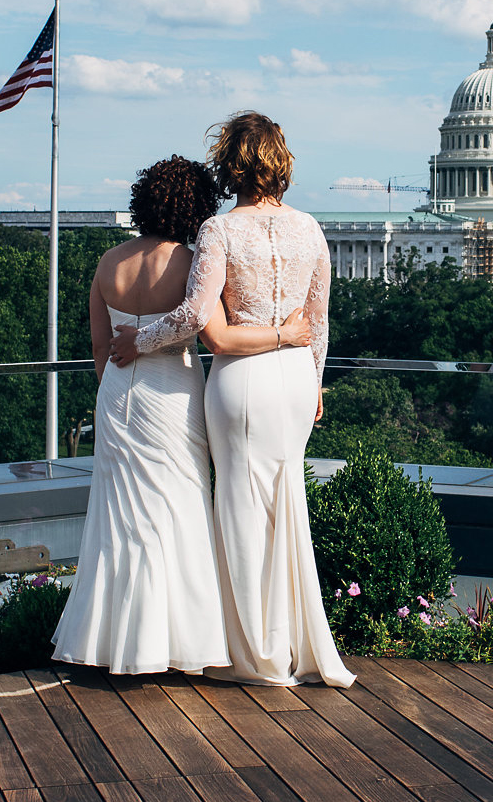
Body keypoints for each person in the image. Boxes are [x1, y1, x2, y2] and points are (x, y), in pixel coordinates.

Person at [113, 113, 355, 688]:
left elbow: (199, 319)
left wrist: (139, 341)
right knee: (287, 505)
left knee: (241, 512)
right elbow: (317, 323)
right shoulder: (312, 230)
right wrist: (315, 380)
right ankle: (295, 645)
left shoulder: (220, 231)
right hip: (295, 378)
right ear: (280, 161)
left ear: (232, 165)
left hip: (240, 380)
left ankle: (254, 654)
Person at [50, 156, 309, 676]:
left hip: (120, 395)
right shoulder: (193, 262)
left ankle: (113, 643)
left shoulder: (107, 263)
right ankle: (174, 645)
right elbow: (213, 330)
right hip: (175, 392)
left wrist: (123, 386)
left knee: (117, 519)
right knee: (179, 513)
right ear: (195, 205)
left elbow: (102, 352)